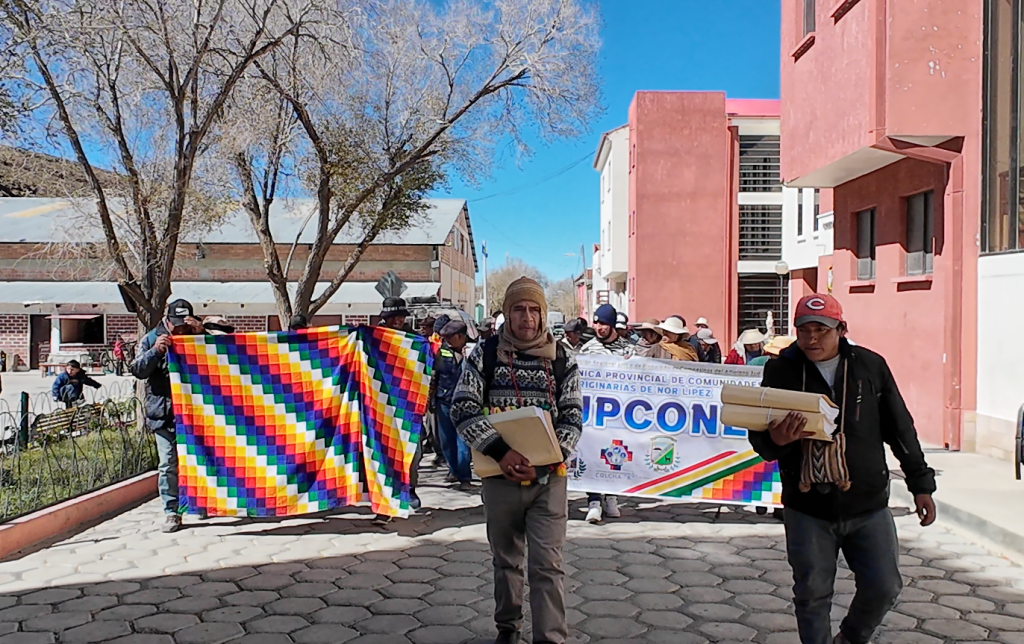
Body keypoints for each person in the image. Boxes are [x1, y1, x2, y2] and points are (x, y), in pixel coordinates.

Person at [748, 294, 936, 644]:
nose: (813, 338)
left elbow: (900, 428)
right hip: (808, 507)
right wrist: (776, 438)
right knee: (812, 595)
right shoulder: (781, 370)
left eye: (822, 329)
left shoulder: (869, 366)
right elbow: (760, 439)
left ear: (841, 329)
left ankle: (849, 638)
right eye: (805, 330)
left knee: (884, 586)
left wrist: (920, 484)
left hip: (868, 504)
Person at [452, 277, 582, 644]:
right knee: (507, 562)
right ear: (506, 314)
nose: (527, 317)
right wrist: (501, 452)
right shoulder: (485, 354)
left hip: (548, 481)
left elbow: (572, 419)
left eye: (534, 309)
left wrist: (542, 463)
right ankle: (508, 629)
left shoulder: (562, 359)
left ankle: (550, 638)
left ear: (543, 316)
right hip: (499, 478)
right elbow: (462, 409)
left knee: (547, 566)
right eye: (519, 309)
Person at [131, 299, 202, 533]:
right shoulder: (152, 338)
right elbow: (137, 369)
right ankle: (171, 510)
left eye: (186, 324)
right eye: (177, 324)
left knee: (199, 459)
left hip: (196, 413)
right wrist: (155, 352)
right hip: (164, 411)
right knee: (168, 462)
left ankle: (200, 502)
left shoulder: (198, 334)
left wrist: (201, 336)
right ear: (167, 321)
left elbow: (225, 358)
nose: (181, 329)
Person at [578, 304, 631, 524]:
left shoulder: (628, 350)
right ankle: (593, 501)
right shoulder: (588, 349)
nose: (599, 328)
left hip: (619, 413)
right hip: (594, 413)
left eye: (604, 324)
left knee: (617, 455)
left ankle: (611, 497)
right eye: (597, 323)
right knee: (592, 454)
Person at [430, 320, 474, 492]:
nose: (446, 340)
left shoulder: (473, 352)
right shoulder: (442, 352)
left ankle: (464, 476)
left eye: (449, 337)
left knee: (463, 442)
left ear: (460, 337)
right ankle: (453, 470)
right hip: (444, 402)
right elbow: (434, 376)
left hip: (466, 404)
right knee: (447, 441)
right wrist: (431, 399)